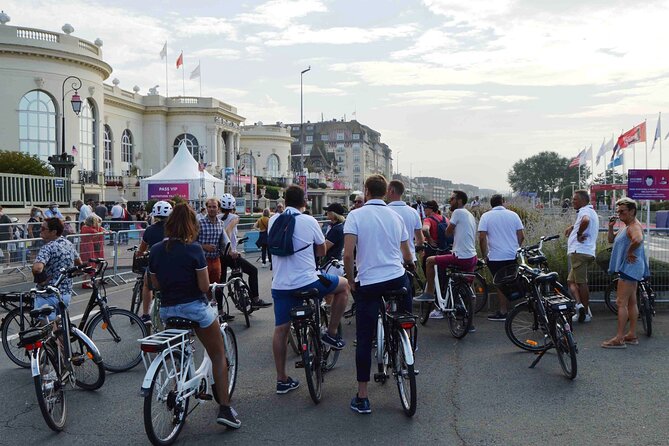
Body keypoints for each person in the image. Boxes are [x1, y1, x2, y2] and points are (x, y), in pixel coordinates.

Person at [148, 203, 241, 428]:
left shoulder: (157, 249)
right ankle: (225, 409)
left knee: (179, 351)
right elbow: (203, 286)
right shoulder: (194, 250)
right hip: (194, 308)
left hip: (168, 310)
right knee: (218, 354)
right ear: (192, 226)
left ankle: (179, 394)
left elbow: (154, 283)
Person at [343, 174, 414, 414]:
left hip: (370, 283)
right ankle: (407, 347)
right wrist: (410, 265)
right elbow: (407, 255)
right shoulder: (395, 216)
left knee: (364, 338)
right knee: (405, 317)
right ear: (385, 192)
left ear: (366, 191)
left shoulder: (355, 215)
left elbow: (348, 255)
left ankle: (362, 396)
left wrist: (352, 281)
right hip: (396, 278)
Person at [269, 185, 349, 395]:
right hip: (307, 281)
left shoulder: (272, 220)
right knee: (343, 286)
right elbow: (322, 250)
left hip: (280, 285)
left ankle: (281, 379)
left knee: (281, 330)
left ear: (285, 201)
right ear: (304, 202)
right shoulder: (309, 220)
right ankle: (331, 333)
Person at [415, 191, 478, 326]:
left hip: (460, 256)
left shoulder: (458, 212)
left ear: (459, 201)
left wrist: (433, 239)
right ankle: (470, 324)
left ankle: (429, 294)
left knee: (429, 261)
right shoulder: (470, 215)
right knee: (468, 289)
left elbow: (448, 232)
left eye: (452, 199)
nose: (450, 201)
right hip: (472, 256)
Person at [602, 198, 649, 348]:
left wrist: (629, 251)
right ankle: (632, 335)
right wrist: (610, 227)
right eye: (618, 211)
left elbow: (638, 239)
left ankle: (619, 338)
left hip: (629, 268)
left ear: (632, 211)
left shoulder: (633, 226)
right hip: (632, 268)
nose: (619, 214)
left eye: (622, 211)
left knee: (620, 302)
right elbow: (611, 240)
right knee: (631, 302)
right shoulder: (627, 226)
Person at [218, 193, 271, 312]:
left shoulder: (216, 217)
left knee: (220, 283)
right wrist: (231, 249)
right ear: (233, 206)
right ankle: (256, 300)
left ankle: (221, 311)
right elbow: (228, 231)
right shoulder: (234, 217)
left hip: (219, 255)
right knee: (253, 271)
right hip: (230, 254)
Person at [478, 194, 525, 321]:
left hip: (495, 257)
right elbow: (521, 236)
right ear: (503, 202)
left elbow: (482, 237)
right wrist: (516, 248)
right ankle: (516, 308)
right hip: (511, 255)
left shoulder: (486, 216)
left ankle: (503, 311)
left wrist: (484, 255)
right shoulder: (513, 215)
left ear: (491, 204)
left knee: (500, 283)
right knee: (511, 281)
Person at [32, 217, 82, 321]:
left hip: (49, 295)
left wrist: (41, 281)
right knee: (59, 326)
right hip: (66, 294)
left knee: (47, 328)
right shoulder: (68, 244)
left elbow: (37, 269)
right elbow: (79, 263)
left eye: (43, 229)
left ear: (53, 232)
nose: (40, 231)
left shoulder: (48, 247)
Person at [564, 190, 599, 323]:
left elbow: (585, 220)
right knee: (571, 281)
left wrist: (578, 233)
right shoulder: (590, 210)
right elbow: (583, 220)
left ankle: (585, 311)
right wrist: (573, 227)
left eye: (575, 199)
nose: (572, 202)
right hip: (586, 252)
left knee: (581, 282)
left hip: (579, 251)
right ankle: (580, 307)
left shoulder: (585, 211)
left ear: (583, 200)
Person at [138, 200, 173, 325]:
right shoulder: (173, 229)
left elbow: (142, 248)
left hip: (155, 265)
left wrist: (139, 253)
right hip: (171, 264)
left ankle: (146, 315)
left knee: (147, 286)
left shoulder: (150, 230)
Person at [198, 198, 232, 302]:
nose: (212, 209)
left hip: (216, 259)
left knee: (215, 287)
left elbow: (224, 241)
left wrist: (231, 250)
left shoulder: (220, 224)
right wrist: (204, 246)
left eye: (214, 207)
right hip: (203, 260)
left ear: (218, 209)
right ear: (206, 208)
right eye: (209, 207)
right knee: (204, 287)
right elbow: (191, 242)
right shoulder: (200, 223)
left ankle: (215, 310)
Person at [387, 180, 424, 265]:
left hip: (390, 261)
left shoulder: (384, 211)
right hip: (410, 260)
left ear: (391, 191)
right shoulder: (413, 212)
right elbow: (420, 239)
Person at [420, 200, 448, 271]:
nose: (424, 209)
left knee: (426, 267)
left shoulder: (428, 219)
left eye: (425, 207)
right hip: (444, 249)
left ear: (431, 209)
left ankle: (430, 282)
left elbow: (425, 229)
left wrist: (429, 239)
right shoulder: (445, 219)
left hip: (432, 249)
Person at [80, 214, 105, 288]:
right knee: (90, 265)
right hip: (88, 247)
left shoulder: (84, 227)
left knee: (88, 264)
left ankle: (87, 282)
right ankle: (86, 282)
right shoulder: (88, 229)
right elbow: (97, 231)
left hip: (85, 246)